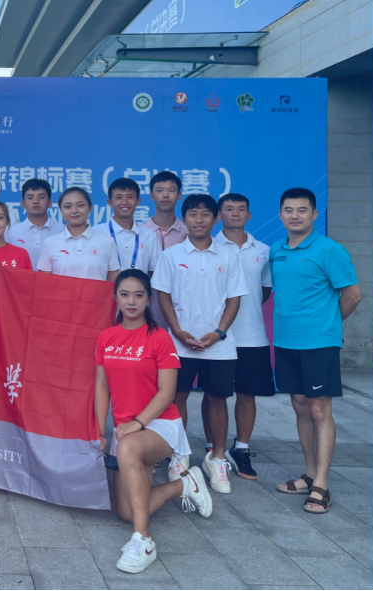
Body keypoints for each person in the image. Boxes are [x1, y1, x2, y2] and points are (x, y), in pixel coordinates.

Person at [95, 270, 212, 575]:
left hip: (160, 424)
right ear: (115, 297)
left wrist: (138, 422)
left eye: (138, 295)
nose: (131, 301)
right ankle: (185, 484)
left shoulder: (160, 338)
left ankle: (144, 542)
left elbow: (167, 393)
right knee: (128, 511)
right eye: (124, 294)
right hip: (126, 430)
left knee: (128, 448)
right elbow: (102, 387)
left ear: (148, 299)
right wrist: (100, 430)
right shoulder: (106, 337)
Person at [271, 188, 361, 515]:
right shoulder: (276, 250)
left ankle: (321, 484)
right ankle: (309, 474)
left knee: (320, 409)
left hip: (319, 344)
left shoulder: (329, 250)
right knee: (299, 406)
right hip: (286, 341)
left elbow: (352, 295)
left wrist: (327, 326)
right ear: (280, 214)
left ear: (314, 214)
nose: (295, 215)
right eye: (289, 210)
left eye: (302, 210)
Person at [151, 194, 248, 495]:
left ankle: (216, 458)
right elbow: (163, 295)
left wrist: (219, 332)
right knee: (176, 398)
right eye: (193, 214)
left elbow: (234, 299)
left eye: (206, 214)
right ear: (184, 219)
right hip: (179, 344)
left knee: (217, 399)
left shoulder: (229, 256)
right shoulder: (171, 255)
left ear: (215, 218)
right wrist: (177, 331)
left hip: (218, 345)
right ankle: (178, 455)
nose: (199, 220)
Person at [210, 194, 274, 481]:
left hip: (252, 336)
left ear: (249, 215)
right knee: (215, 395)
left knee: (247, 395)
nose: (235, 213)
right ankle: (213, 448)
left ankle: (241, 448)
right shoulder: (209, 247)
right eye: (229, 209)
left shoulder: (263, 250)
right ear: (219, 215)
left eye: (241, 209)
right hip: (217, 336)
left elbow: (264, 291)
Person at [38, 188, 120, 282]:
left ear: (90, 208)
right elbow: (44, 283)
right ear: (60, 210)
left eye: (80, 205)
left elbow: (113, 284)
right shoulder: (50, 243)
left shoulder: (107, 242)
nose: (74, 211)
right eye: (68, 206)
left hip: (97, 292)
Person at [106, 178, 161, 275]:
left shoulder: (149, 235)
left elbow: (156, 273)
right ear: (110, 202)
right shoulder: (97, 233)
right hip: (107, 286)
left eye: (130, 197)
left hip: (141, 285)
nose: (124, 202)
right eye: (119, 197)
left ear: (138, 201)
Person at [7, 178, 60, 265]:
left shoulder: (62, 230)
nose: (35, 201)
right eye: (30, 197)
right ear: (23, 204)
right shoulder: (11, 232)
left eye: (41, 197)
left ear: (50, 203)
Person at [145, 171, 187, 250]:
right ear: (151, 195)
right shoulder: (140, 232)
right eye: (159, 190)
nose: (165, 195)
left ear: (179, 195)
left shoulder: (188, 232)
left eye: (171, 190)